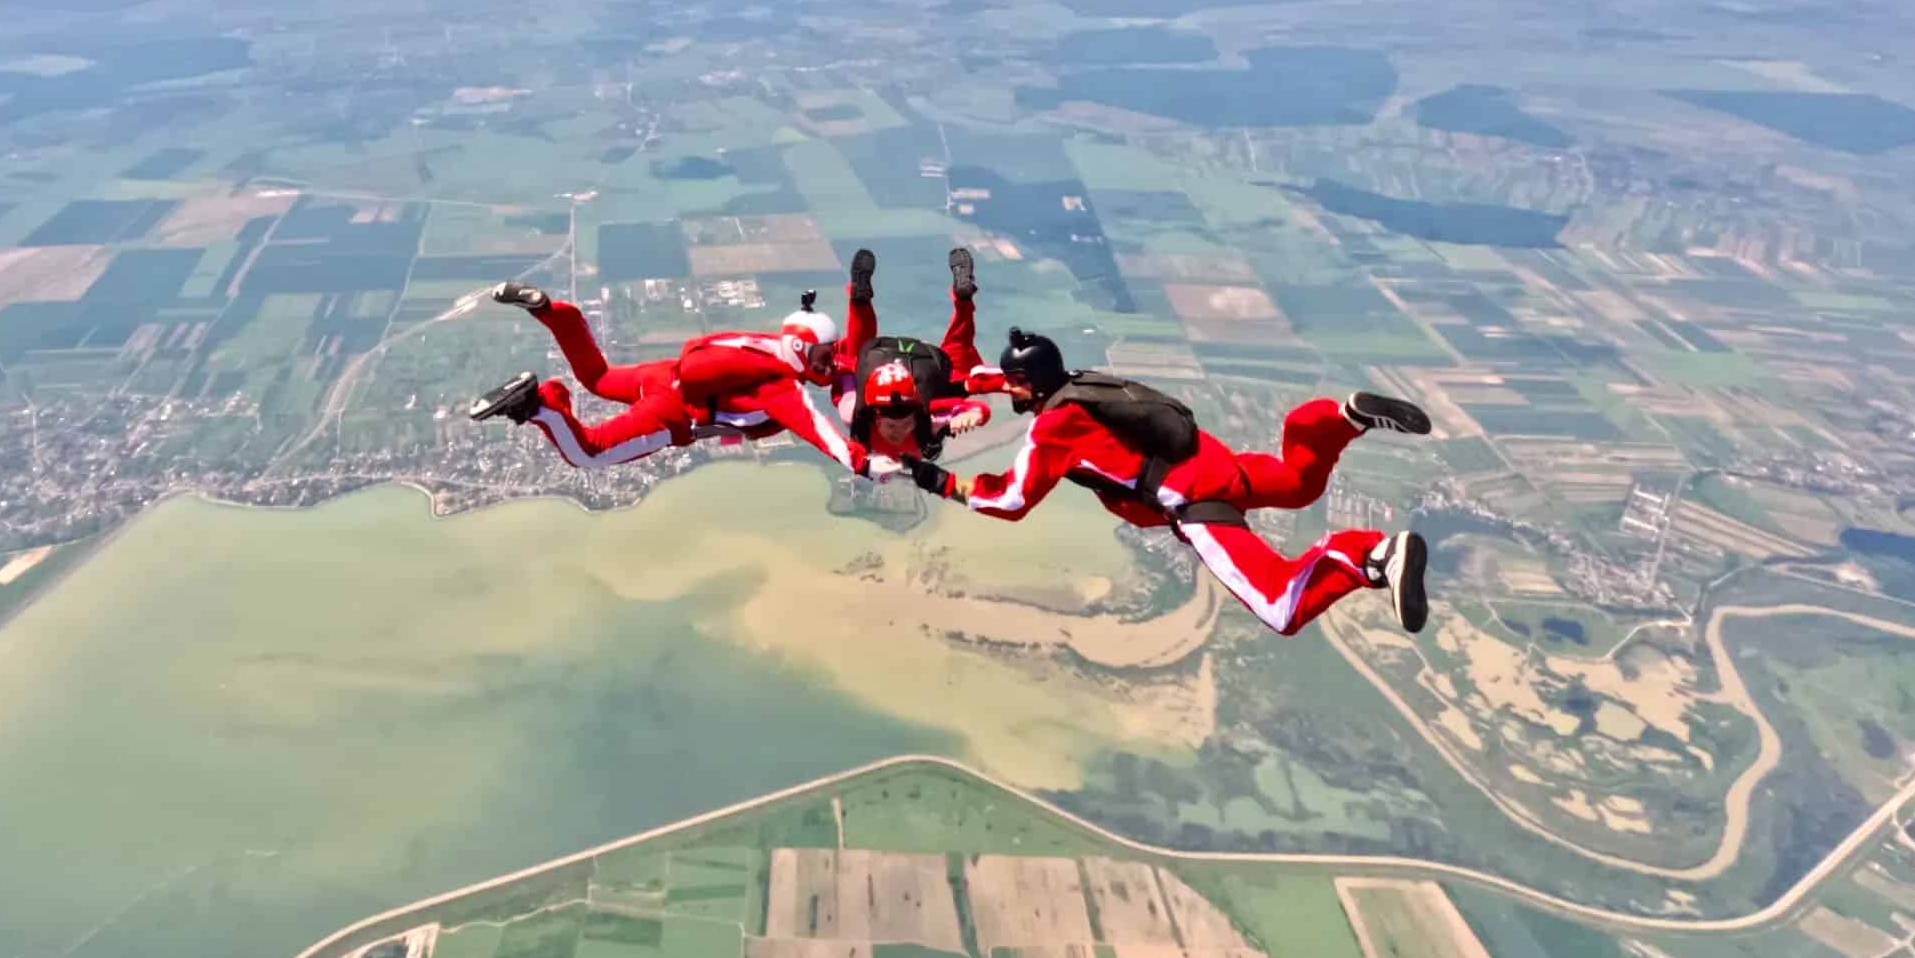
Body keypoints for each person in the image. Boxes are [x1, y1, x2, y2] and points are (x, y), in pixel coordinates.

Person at [908, 328, 1434, 636]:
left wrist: (941, 482)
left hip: (1195, 499)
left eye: (1017, 386)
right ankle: (1330, 419)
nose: (1013, 393)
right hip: (1215, 460)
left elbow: (1012, 500)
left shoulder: (1054, 429)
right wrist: (953, 385)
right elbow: (1001, 380)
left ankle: (1369, 554)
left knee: (1282, 606)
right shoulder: (1080, 381)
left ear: (1031, 386)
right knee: (1300, 483)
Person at [468, 284, 884, 476]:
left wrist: (859, 299)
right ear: (801, 352)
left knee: (597, 376)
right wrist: (862, 463)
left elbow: (852, 350)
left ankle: (555, 312)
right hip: (672, 414)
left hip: (663, 375)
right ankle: (535, 404)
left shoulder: (768, 344)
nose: (830, 365)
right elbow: (820, 433)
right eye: (824, 357)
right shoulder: (783, 388)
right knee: (588, 453)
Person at [833, 246, 1000, 464]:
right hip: (900, 361)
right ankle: (860, 302)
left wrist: (841, 365)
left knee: (856, 362)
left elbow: (845, 375)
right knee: (858, 360)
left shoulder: (853, 413)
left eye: (902, 425)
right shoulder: (929, 419)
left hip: (902, 363)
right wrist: (975, 415)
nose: (898, 432)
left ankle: (963, 302)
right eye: (895, 426)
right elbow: (975, 409)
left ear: (877, 417)